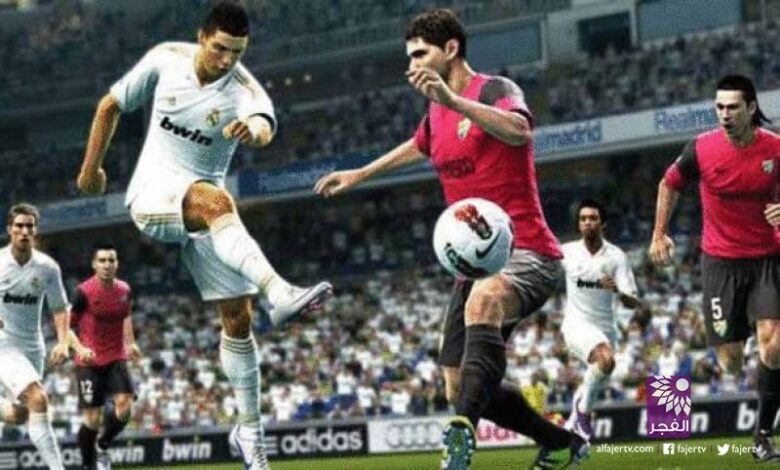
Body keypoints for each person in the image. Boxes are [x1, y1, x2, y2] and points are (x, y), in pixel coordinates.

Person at [315, 8, 589, 469]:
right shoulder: (434, 109)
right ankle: (561, 442)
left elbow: (520, 131)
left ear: (451, 49)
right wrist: (360, 173)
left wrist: (455, 101)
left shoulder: (495, 89)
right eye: (410, 57)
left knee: (484, 303)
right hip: (473, 264)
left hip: (526, 250)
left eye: (420, 54)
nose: (413, 65)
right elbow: (419, 144)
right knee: (457, 384)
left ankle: (461, 434)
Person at [75, 3, 332, 468]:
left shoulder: (244, 90)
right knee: (217, 200)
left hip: (207, 216)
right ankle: (280, 292)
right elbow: (109, 105)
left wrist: (253, 132)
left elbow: (263, 125)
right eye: (219, 49)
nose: (227, 60)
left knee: (238, 319)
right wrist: (90, 171)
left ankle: (250, 434)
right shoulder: (165, 59)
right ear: (201, 37)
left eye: (237, 52)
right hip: (153, 195)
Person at [649, 74, 780, 463]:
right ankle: (748, 346)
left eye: (732, 107)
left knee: (774, 344)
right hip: (721, 264)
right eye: (719, 107)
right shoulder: (701, 149)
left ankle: (762, 435)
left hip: (768, 258)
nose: (724, 114)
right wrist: (659, 234)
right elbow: (668, 184)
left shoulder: (775, 148)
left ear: (751, 108)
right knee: (731, 361)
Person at [0, 203, 90, 470]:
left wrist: (63, 342)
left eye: (29, 226)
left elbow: (60, 309)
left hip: (33, 346)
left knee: (20, 414)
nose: (24, 231)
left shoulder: (48, 268)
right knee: (39, 398)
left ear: (35, 231)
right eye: (19, 226)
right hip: (3, 344)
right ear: (9, 230)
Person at [560, 200, 640, 440]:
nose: (587, 222)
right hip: (576, 325)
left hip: (607, 330)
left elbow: (633, 302)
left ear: (603, 223)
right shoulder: (567, 251)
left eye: (593, 218)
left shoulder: (617, 257)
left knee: (604, 366)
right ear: (578, 224)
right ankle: (584, 414)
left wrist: (617, 290)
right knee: (604, 359)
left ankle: (571, 432)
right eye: (583, 219)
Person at [71, 245, 139, 470]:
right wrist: (80, 349)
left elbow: (126, 315)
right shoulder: (83, 292)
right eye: (102, 260)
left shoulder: (124, 289)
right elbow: (66, 327)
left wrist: (131, 342)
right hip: (89, 361)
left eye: (111, 260)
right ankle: (87, 465)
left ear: (117, 264)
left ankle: (103, 444)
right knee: (92, 419)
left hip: (116, 356)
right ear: (94, 264)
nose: (107, 264)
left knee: (125, 407)